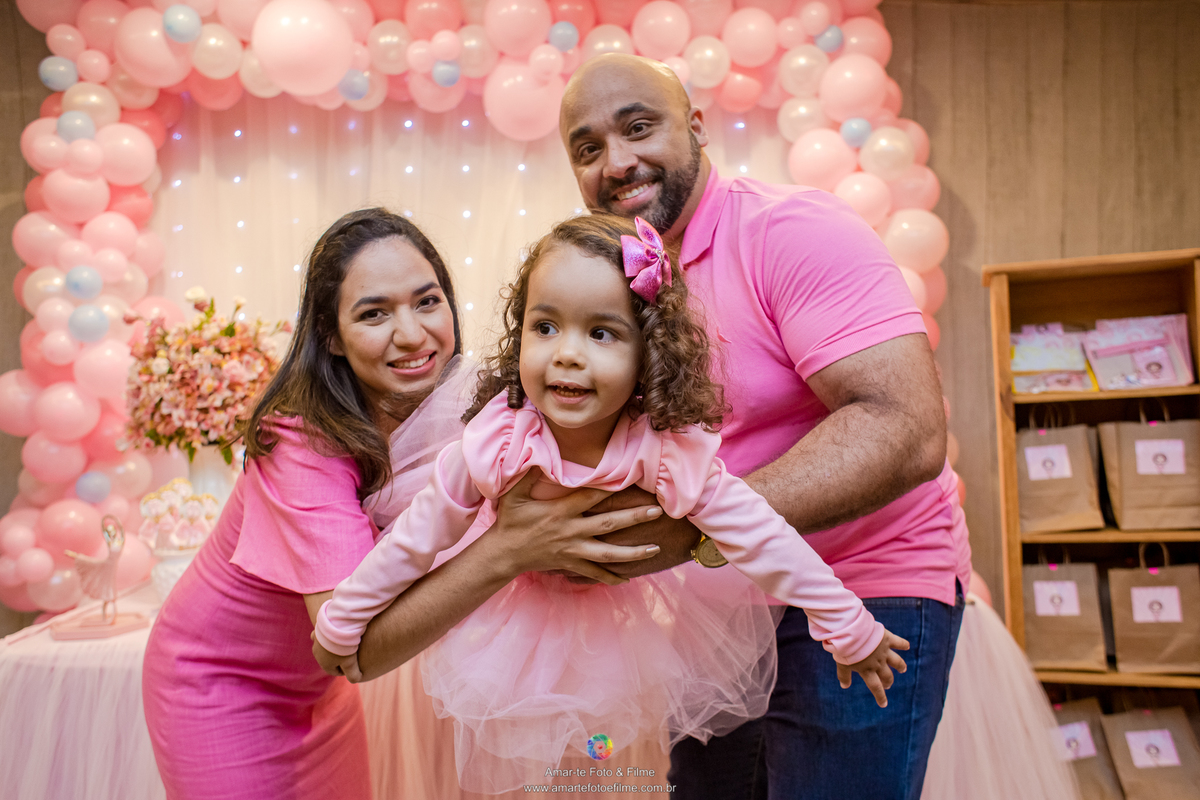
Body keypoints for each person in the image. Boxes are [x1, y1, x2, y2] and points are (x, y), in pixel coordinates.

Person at [313, 213, 909, 795]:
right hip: (506, 637)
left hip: (615, 644)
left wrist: (846, 622)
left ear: (648, 354)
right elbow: (415, 541)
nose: (567, 354)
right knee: (523, 779)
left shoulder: (666, 454)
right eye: (545, 328)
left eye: (600, 333)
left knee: (607, 776)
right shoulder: (497, 442)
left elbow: (760, 534)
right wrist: (343, 620)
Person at [557, 55, 972, 800]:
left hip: (866, 584)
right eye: (587, 148)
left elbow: (905, 426)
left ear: (696, 126)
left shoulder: (793, 230)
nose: (616, 162)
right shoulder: (615, 282)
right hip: (724, 609)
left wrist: (700, 527)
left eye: (638, 127)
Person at [140, 208, 659, 799]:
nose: (412, 334)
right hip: (222, 686)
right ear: (329, 335)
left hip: (319, 689)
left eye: (427, 301)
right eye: (374, 313)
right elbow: (349, 642)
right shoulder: (300, 441)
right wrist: (510, 549)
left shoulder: (468, 405)